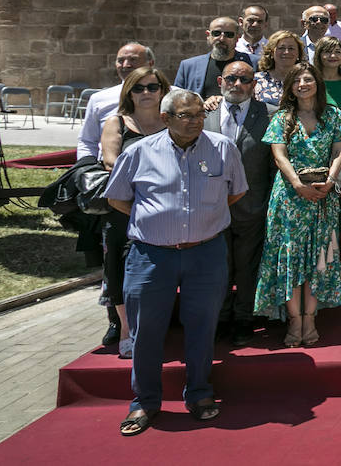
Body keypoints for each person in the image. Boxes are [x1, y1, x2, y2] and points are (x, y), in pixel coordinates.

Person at [105, 88, 248, 436]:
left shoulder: (223, 148)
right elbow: (119, 199)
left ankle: (199, 394)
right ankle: (145, 402)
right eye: (187, 115)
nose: (196, 120)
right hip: (151, 255)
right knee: (146, 332)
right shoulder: (138, 152)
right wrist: (159, 222)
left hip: (205, 252)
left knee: (202, 327)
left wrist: (202, 219)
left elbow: (237, 191)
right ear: (166, 118)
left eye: (200, 114)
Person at [255, 63, 341, 346]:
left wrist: (330, 181)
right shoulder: (282, 118)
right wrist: (297, 184)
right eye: (297, 81)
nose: (303, 84)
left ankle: (311, 318)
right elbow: (279, 155)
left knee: (318, 260)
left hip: (322, 197)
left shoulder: (333, 115)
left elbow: (339, 150)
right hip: (289, 199)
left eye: (308, 79)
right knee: (291, 260)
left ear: (317, 83)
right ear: (291, 87)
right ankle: (294, 321)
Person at [98, 66, 172, 359]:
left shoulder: (172, 122)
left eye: (152, 87)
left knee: (157, 271)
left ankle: (153, 326)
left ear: (163, 91)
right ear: (128, 92)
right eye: (138, 88)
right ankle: (126, 329)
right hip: (124, 207)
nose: (145, 93)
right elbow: (111, 163)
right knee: (118, 267)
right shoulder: (117, 122)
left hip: (163, 211)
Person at [203, 61, 275, 347]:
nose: (237, 84)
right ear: (221, 81)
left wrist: (269, 203)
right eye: (231, 78)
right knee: (217, 266)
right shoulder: (204, 114)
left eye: (245, 80)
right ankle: (220, 318)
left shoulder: (269, 115)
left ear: (253, 85)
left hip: (252, 205)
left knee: (247, 267)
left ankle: (244, 318)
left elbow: (273, 163)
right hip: (210, 207)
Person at [78, 43, 154, 161]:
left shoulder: (173, 96)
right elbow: (87, 141)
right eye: (120, 60)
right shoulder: (99, 99)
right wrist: (87, 167)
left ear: (150, 63)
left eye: (133, 59)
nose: (126, 65)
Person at [173, 16, 254, 98]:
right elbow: (177, 99)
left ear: (237, 38)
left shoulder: (253, 63)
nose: (222, 38)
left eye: (229, 35)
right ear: (208, 35)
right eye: (216, 33)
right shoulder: (188, 66)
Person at [253, 30, 305, 106]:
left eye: (291, 48)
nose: (286, 52)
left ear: (298, 53)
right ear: (271, 52)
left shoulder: (306, 80)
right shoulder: (257, 80)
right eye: (281, 48)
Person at [313, 36, 341, 114]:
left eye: (337, 52)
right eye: (328, 51)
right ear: (319, 55)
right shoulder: (313, 83)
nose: (333, 56)